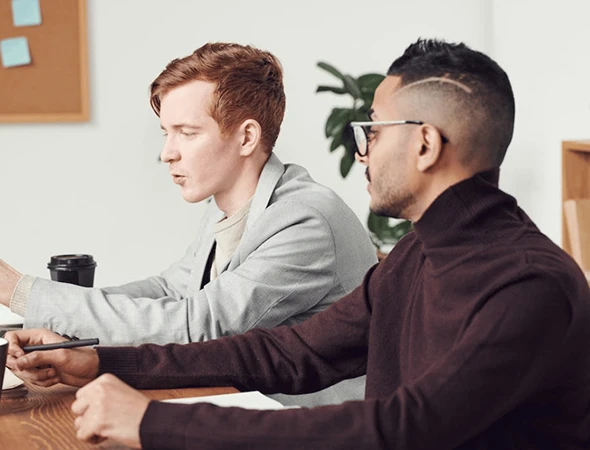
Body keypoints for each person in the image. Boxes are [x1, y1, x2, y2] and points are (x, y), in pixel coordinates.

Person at [7, 37, 590, 449]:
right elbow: (287, 352)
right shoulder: (417, 255)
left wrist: (154, 424)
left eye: (372, 130)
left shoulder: (531, 285)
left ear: (425, 145)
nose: (360, 150)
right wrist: (100, 361)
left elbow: (403, 430)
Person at [0, 43, 377, 407]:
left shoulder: (306, 219)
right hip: (237, 406)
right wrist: (65, 337)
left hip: (308, 424)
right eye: (167, 132)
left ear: (247, 137)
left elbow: (199, 326)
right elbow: (171, 290)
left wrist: (22, 291)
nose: (167, 153)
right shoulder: (225, 204)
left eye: (188, 132)